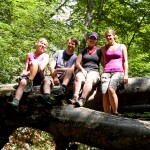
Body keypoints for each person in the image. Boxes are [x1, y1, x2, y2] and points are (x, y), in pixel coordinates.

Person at [8, 38, 50, 107]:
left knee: (34, 62)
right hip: (28, 75)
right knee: (23, 82)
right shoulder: (29, 55)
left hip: (39, 76)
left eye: (44, 44)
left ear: (46, 47)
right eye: (41, 42)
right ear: (37, 43)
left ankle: (30, 82)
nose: (42, 45)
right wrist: (23, 73)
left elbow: (41, 68)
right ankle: (16, 101)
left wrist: (32, 68)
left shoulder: (45, 56)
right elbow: (25, 69)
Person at [68, 32, 102, 107]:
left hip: (94, 72)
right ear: (88, 39)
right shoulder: (83, 51)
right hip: (84, 70)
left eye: (94, 39)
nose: (92, 40)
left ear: (96, 41)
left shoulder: (99, 51)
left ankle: (82, 99)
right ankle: (75, 97)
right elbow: (77, 63)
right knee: (78, 77)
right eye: (91, 38)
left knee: (89, 78)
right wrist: (82, 70)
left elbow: (104, 62)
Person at [41, 37, 78, 102]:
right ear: (67, 43)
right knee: (47, 80)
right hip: (54, 74)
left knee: (69, 71)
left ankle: (62, 89)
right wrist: (55, 77)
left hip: (66, 77)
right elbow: (52, 66)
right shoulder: (58, 53)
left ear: (75, 46)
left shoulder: (75, 58)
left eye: (72, 44)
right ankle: (47, 97)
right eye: (69, 43)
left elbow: (71, 70)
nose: (70, 45)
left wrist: (58, 69)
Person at [101, 29, 128, 115]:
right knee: (104, 91)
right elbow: (105, 62)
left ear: (114, 36)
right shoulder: (104, 48)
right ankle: (106, 115)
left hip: (118, 71)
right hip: (106, 71)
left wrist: (126, 74)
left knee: (111, 89)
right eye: (106, 36)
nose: (108, 37)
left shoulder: (122, 46)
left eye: (110, 35)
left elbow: (125, 61)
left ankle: (115, 112)